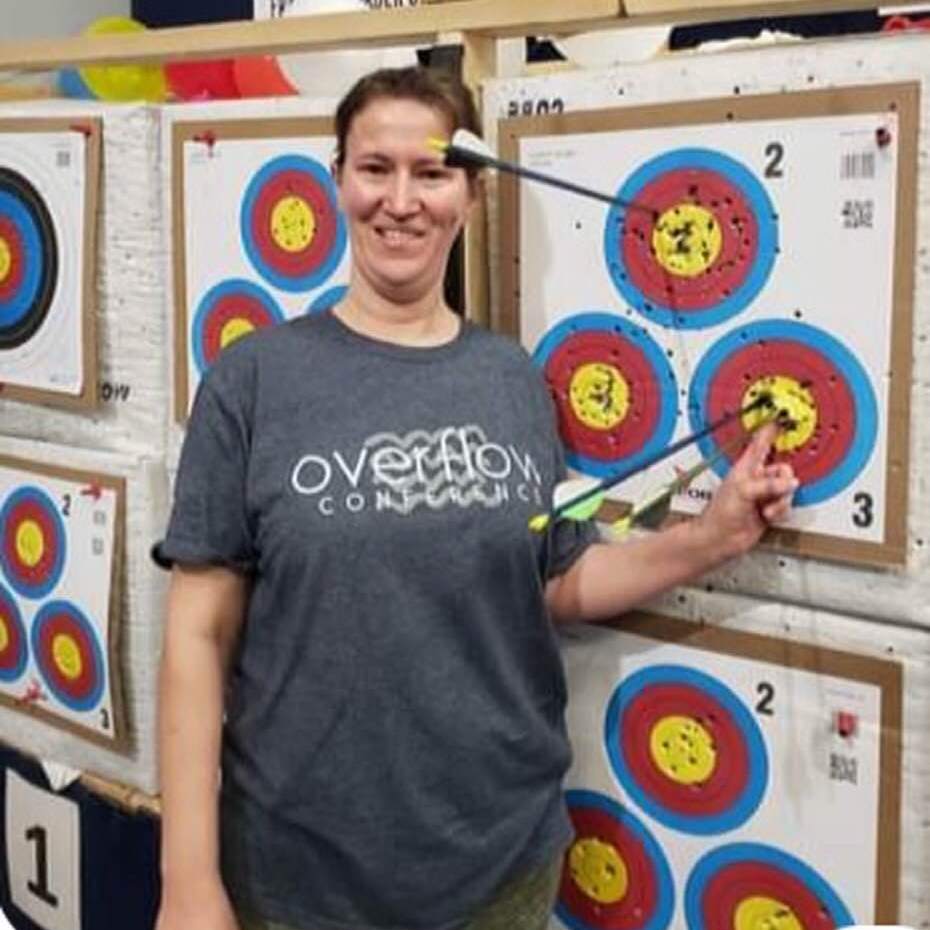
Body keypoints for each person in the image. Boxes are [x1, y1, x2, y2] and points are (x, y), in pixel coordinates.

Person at [153, 65, 797, 930]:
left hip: (500, 867)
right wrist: (187, 881)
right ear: (338, 181)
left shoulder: (511, 380)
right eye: (374, 168)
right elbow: (197, 633)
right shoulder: (253, 380)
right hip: (297, 878)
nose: (401, 199)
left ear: (472, 196)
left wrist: (713, 536)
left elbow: (552, 583)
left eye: (432, 171)